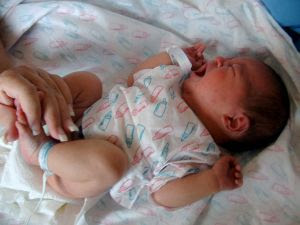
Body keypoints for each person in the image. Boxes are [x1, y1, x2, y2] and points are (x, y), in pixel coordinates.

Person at [7, 42, 289, 209]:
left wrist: (212, 181)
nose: (218, 59)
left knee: (110, 162)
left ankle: (40, 153)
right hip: (79, 121)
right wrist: (176, 56)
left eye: (229, 68)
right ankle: (41, 110)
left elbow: (163, 194)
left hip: (81, 171)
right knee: (89, 83)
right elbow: (134, 78)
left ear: (234, 120)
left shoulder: (197, 150)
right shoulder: (173, 79)